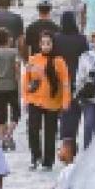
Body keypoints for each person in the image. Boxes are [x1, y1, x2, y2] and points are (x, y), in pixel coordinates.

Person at [22, 32, 71, 171]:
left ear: (53, 44)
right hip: (35, 100)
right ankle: (35, 156)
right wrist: (25, 98)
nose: (46, 46)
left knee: (50, 132)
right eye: (43, 43)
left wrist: (66, 100)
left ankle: (48, 161)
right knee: (32, 129)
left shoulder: (59, 61)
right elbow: (26, 80)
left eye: (48, 43)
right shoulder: (33, 60)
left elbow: (65, 82)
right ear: (39, 44)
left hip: (53, 102)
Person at [52, 10, 91, 142]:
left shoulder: (56, 39)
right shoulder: (81, 39)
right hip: (77, 79)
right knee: (75, 111)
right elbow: (87, 59)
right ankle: (71, 138)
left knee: (63, 109)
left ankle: (65, 138)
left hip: (60, 80)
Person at [0, 28, 22, 150]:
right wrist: (20, 86)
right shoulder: (14, 53)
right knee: (16, 114)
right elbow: (17, 70)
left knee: (2, 115)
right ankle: (8, 135)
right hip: (12, 87)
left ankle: (3, 139)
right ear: (8, 39)